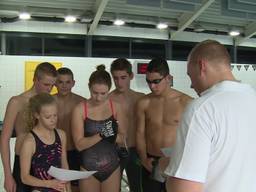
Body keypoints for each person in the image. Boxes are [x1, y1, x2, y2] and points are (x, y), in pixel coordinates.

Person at [165, 40, 256, 192]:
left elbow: (185, 189)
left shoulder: (201, 108)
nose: (191, 85)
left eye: (190, 75)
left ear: (201, 66)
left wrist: (168, 170)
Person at [136, 58, 192, 192]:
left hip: (176, 162)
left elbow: (194, 136)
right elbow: (139, 133)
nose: (152, 86)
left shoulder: (186, 102)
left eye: (156, 81)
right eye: (148, 82)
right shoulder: (144, 102)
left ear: (168, 78)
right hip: (151, 162)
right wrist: (143, 159)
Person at [0, 62, 57, 192]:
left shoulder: (50, 103)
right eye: (46, 84)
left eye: (52, 85)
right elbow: (4, 139)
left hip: (46, 161)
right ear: (35, 79)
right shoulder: (17, 102)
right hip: (23, 162)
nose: (50, 89)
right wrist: (8, 175)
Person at [71, 65, 126, 192]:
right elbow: (79, 145)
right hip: (88, 167)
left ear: (109, 89)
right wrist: (102, 134)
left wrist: (113, 135)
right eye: (95, 93)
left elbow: (123, 139)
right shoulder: (79, 109)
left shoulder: (116, 107)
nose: (99, 97)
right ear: (89, 86)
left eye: (103, 93)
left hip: (112, 167)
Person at [20, 93, 71, 192]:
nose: (53, 120)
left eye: (55, 115)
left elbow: (64, 165)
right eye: (48, 117)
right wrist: (49, 184)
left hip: (60, 188)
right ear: (37, 115)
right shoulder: (30, 142)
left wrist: (68, 189)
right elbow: (25, 177)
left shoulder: (61, 135)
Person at [109, 58, 144, 192]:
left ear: (131, 76)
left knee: (138, 188)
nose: (119, 82)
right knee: (113, 188)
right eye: (116, 78)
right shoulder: (108, 99)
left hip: (136, 150)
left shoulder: (141, 98)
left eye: (123, 77)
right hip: (115, 150)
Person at [53, 67, 86, 192]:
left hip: (75, 151)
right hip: (54, 152)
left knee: (76, 188)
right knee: (57, 187)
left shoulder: (81, 102)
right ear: (55, 83)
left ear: (73, 83)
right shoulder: (48, 101)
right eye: (60, 82)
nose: (64, 85)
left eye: (67, 82)